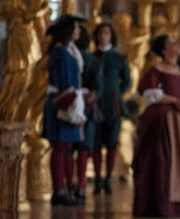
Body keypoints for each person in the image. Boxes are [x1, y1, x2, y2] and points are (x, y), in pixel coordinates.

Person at [133, 35, 180, 217]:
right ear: (164, 50)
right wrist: (173, 100)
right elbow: (149, 92)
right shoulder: (156, 70)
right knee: (164, 158)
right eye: (172, 43)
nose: (177, 44)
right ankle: (163, 202)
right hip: (164, 119)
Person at [42, 15, 87, 206]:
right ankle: (59, 189)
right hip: (63, 103)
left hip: (69, 100)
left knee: (67, 147)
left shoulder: (68, 51)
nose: (79, 31)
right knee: (60, 147)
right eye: (76, 27)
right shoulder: (61, 53)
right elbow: (65, 83)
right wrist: (74, 108)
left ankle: (67, 187)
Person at [90, 22, 131, 196]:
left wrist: (117, 94)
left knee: (112, 142)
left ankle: (108, 178)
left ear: (111, 36)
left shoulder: (119, 58)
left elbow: (127, 81)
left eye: (106, 33)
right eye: (100, 33)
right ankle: (98, 178)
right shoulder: (92, 57)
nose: (103, 36)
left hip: (113, 106)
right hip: (96, 105)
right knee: (96, 143)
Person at [71, 26, 98, 203]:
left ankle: (70, 185)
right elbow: (98, 86)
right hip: (86, 106)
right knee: (83, 147)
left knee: (68, 148)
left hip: (72, 103)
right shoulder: (92, 60)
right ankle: (80, 186)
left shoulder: (75, 56)